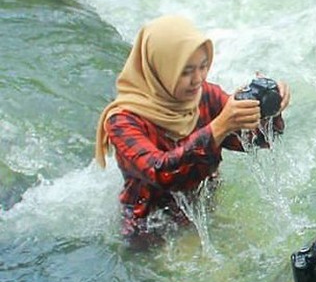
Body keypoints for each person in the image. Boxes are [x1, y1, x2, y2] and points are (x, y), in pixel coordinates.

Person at [95, 14, 290, 243]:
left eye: (203, 66)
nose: (198, 79)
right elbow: (161, 173)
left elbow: (255, 141)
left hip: (204, 208)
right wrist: (219, 127)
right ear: (160, 69)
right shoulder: (122, 122)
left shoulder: (205, 95)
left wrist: (268, 109)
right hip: (153, 228)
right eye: (186, 71)